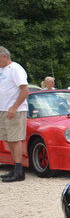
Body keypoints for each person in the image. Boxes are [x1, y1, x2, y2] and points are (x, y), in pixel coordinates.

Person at [0, 46, 30, 182]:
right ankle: (15, 167)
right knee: (8, 138)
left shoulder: (16, 69)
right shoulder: (2, 70)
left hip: (15, 110)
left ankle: (19, 170)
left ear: (5, 56)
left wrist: (14, 107)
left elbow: (25, 90)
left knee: (15, 138)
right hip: (3, 109)